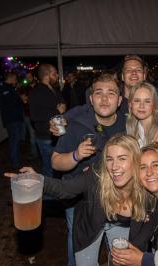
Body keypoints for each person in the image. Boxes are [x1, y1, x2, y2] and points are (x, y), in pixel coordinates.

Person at [5, 134, 158, 266]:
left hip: (120, 226)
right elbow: (65, 189)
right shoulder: (96, 177)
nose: (114, 166)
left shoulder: (147, 188)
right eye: (109, 159)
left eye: (122, 158)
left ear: (136, 161)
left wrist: (136, 257)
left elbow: (144, 235)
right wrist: (37, 180)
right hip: (89, 224)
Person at [52, 73, 126, 266]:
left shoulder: (129, 124)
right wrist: (76, 155)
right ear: (91, 99)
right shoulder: (77, 125)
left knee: (119, 251)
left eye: (111, 93)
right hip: (79, 199)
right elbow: (56, 162)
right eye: (99, 93)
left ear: (119, 100)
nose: (104, 98)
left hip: (116, 197)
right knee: (76, 247)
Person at [51, 55, 158, 135]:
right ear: (123, 76)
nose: (134, 73)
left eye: (138, 70)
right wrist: (63, 118)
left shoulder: (151, 92)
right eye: (129, 70)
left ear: (144, 74)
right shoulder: (115, 95)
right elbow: (84, 109)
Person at [29, 64, 66, 177]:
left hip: (59, 135)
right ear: (46, 75)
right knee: (49, 168)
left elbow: (61, 104)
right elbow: (34, 115)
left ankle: (58, 190)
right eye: (54, 73)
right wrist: (57, 111)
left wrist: (62, 107)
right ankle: (49, 194)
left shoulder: (54, 89)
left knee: (60, 167)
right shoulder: (36, 92)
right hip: (46, 137)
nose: (57, 75)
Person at [0, 72, 24, 169]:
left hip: (16, 118)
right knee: (14, 140)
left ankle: (17, 159)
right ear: (11, 78)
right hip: (12, 119)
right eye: (15, 78)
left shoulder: (11, 88)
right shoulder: (4, 89)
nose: (16, 80)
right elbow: (10, 104)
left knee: (16, 140)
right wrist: (21, 99)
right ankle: (15, 163)